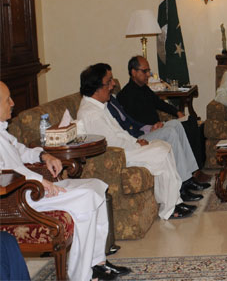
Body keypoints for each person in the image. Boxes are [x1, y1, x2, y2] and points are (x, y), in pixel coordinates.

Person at [0, 81, 131, 281]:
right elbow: (4, 175)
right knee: (87, 198)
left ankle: (97, 263)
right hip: (21, 197)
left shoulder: (2, 130)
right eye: (7, 99)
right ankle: (82, 275)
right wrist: (39, 180)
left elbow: (21, 151)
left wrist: (44, 156)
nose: (12, 103)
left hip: (33, 188)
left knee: (97, 186)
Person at [77, 63, 193, 221]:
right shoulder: (91, 114)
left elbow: (120, 132)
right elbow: (113, 142)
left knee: (163, 147)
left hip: (126, 147)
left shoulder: (99, 107)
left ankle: (174, 202)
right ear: (97, 87)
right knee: (161, 151)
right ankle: (170, 208)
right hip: (117, 155)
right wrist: (137, 144)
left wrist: (137, 141)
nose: (113, 85)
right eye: (109, 81)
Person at [115, 57, 209, 199]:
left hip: (153, 129)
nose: (148, 74)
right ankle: (182, 186)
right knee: (170, 132)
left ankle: (189, 177)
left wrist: (176, 112)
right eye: (144, 71)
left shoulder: (144, 88)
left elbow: (159, 103)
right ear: (133, 72)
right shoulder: (125, 95)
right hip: (140, 136)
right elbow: (129, 125)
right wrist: (149, 128)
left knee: (177, 124)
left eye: (148, 71)